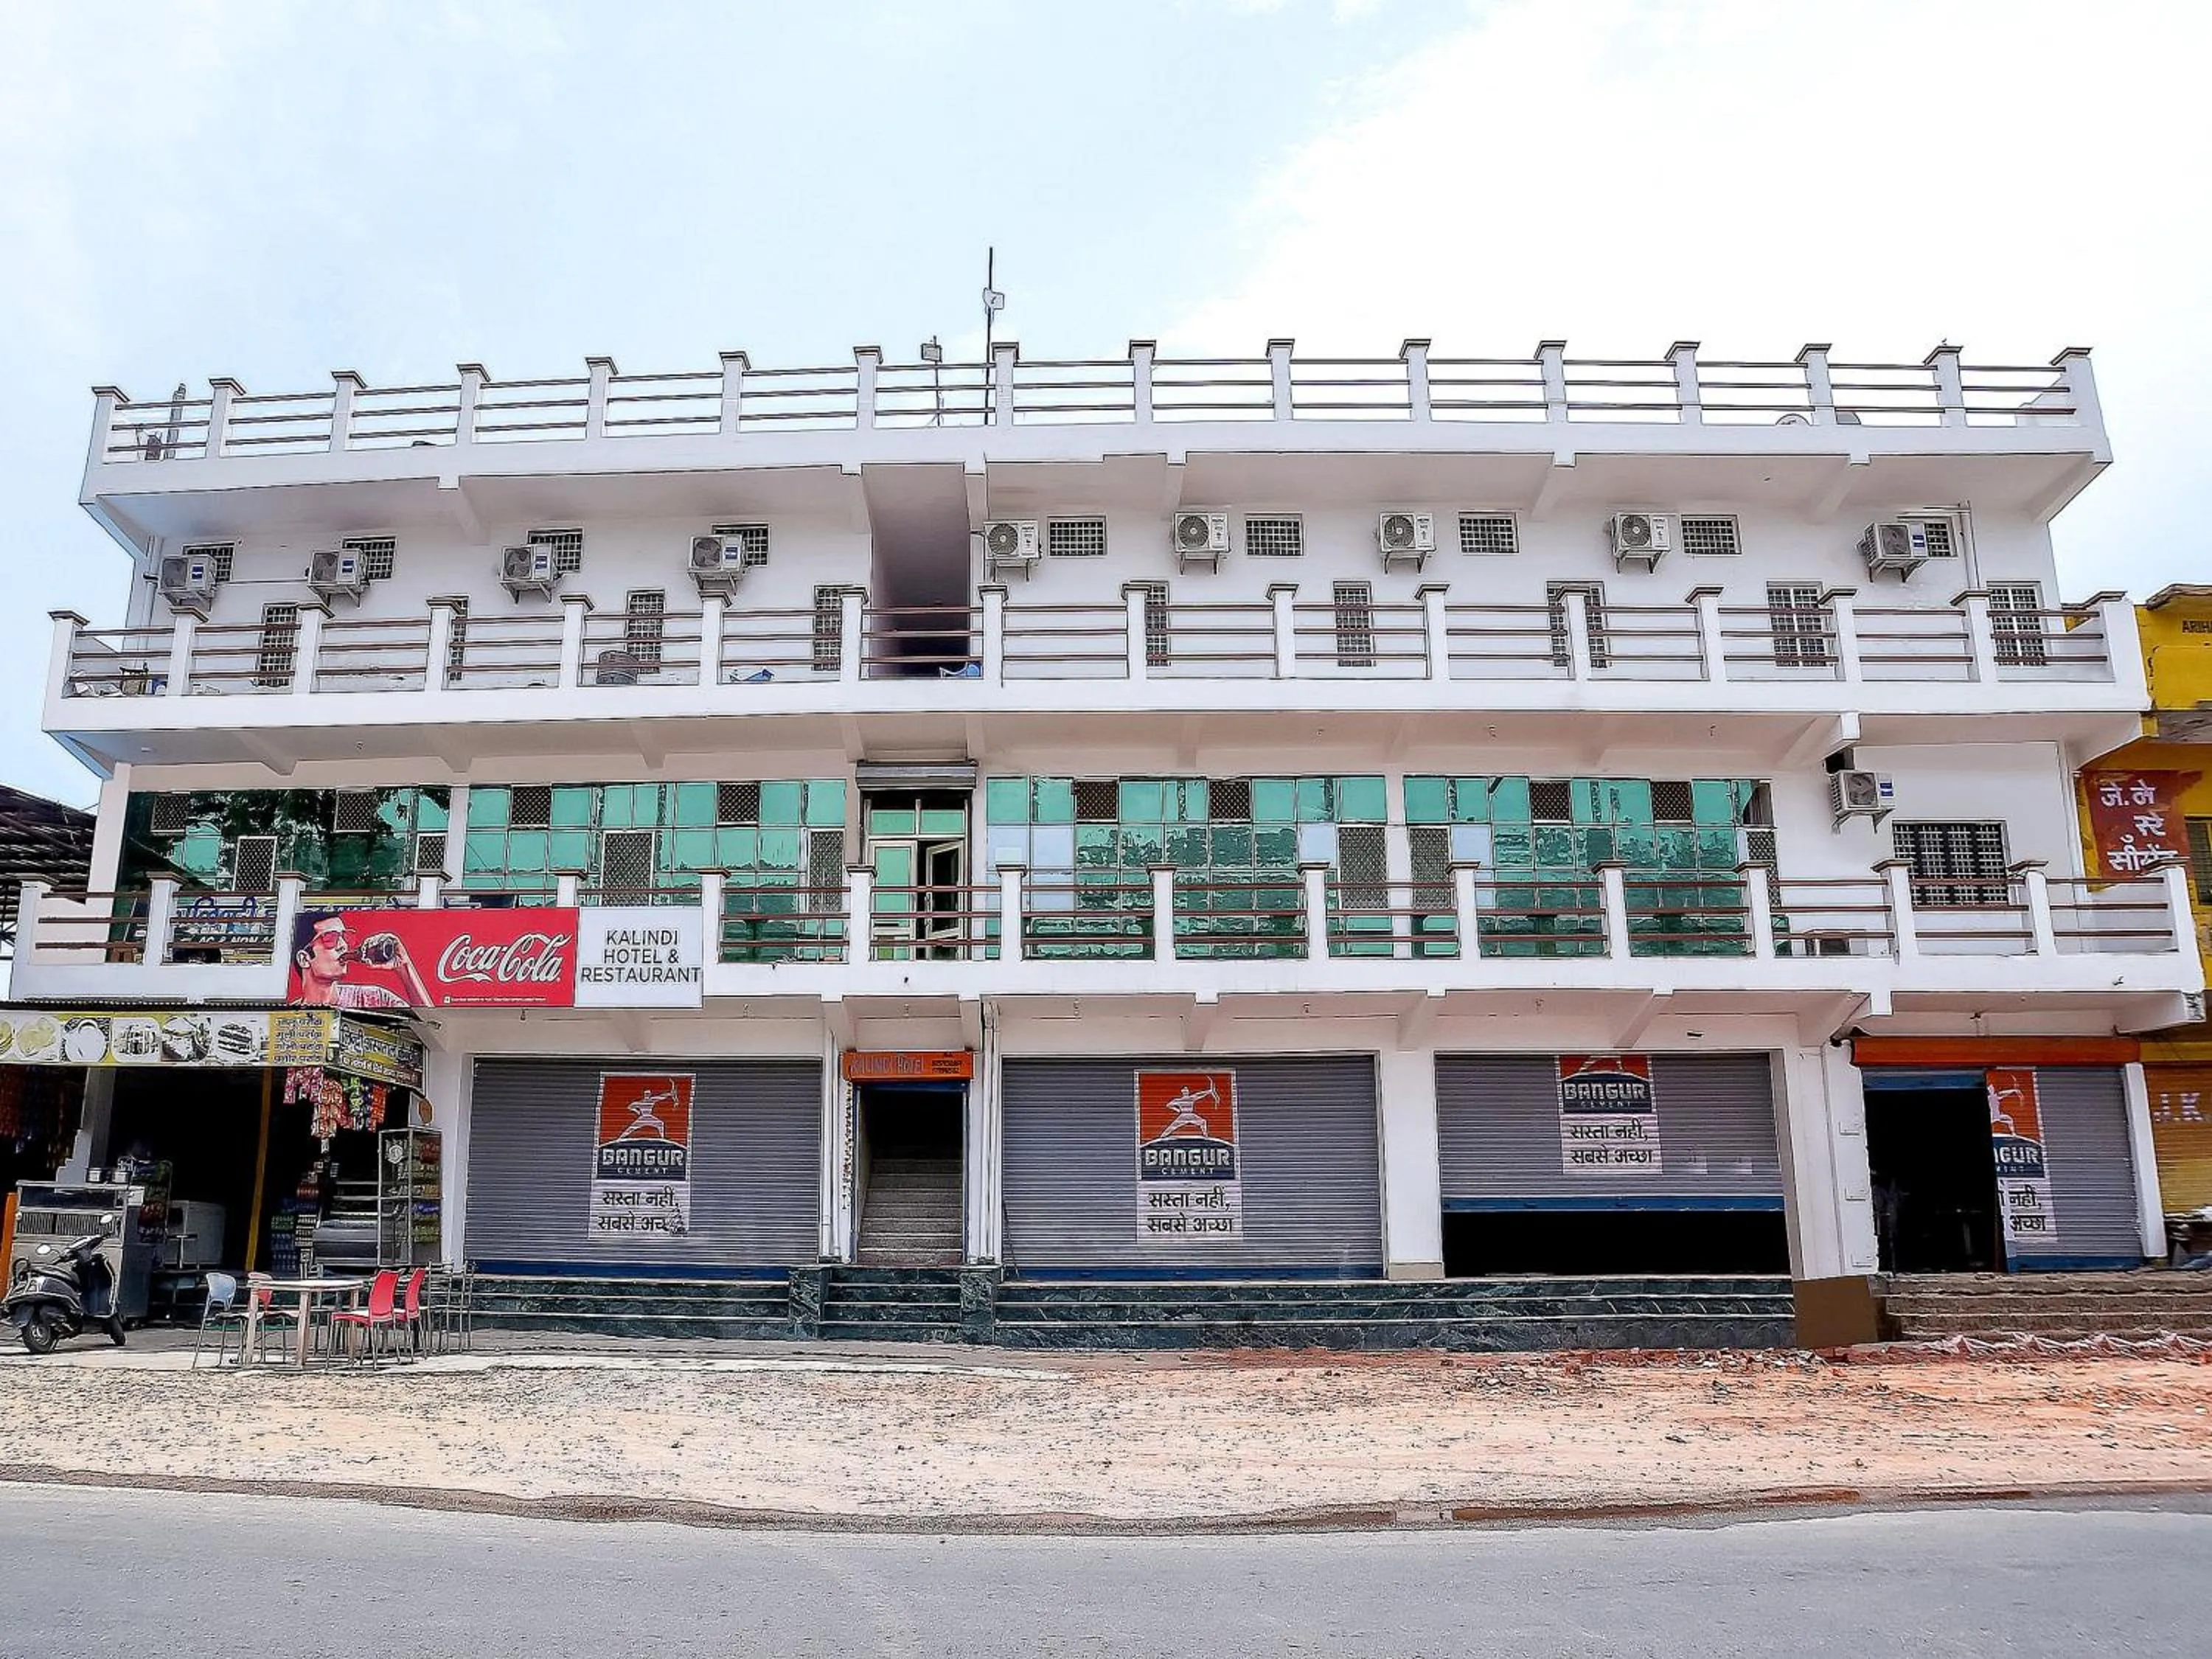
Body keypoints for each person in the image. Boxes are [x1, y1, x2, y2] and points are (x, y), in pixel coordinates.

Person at [291, 914, 411, 1009]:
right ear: (304, 959)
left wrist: (404, 967)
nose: (343, 946)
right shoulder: (288, 1018)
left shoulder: (375, 999)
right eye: (330, 939)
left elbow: (426, 1027)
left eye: (345, 936)